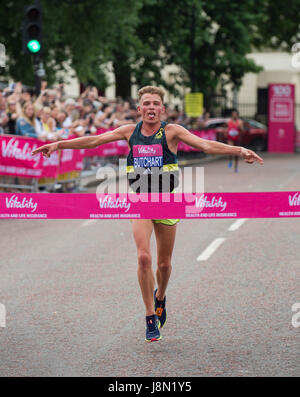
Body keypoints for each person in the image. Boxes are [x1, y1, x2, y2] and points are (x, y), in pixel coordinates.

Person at [32, 86, 263, 342]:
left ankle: (161, 296)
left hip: (166, 203)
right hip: (140, 201)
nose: (151, 108)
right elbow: (95, 140)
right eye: (146, 104)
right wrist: (59, 144)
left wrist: (239, 151)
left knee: (164, 265)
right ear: (139, 109)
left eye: (156, 104)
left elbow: (205, 144)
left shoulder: (172, 131)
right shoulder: (129, 132)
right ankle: (150, 316)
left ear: (162, 109)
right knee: (143, 258)